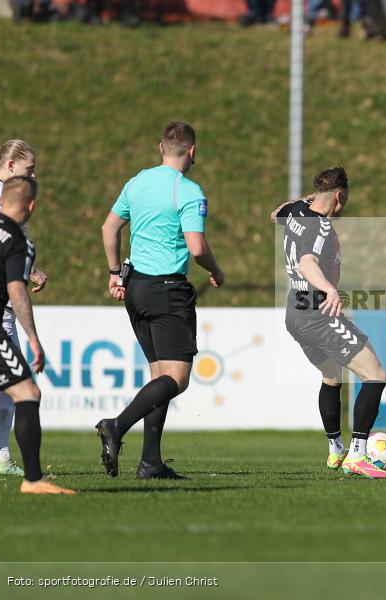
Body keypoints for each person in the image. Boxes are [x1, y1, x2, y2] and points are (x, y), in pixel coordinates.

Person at [97, 122, 225, 480]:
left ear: (161, 148)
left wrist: (114, 272)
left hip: (135, 287)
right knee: (177, 379)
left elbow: (109, 228)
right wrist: (216, 270)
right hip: (167, 288)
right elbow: (196, 247)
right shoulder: (188, 190)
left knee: (160, 377)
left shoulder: (137, 182)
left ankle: (150, 462)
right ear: (192, 152)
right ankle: (116, 425)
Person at [270, 167, 386, 479]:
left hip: (295, 312)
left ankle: (336, 449)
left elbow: (275, 215)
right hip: (317, 312)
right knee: (375, 375)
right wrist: (330, 289)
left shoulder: (297, 210)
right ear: (339, 196)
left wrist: (310, 199)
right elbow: (307, 262)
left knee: (331, 376)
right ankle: (357, 455)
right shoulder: (321, 228)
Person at [0, 177, 73, 494]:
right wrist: (34, 339)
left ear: (1, 201)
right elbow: (16, 291)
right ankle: (34, 481)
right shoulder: (18, 240)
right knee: (27, 393)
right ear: (32, 206)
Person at [0, 140, 49, 477]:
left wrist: (29, 269)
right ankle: (6, 460)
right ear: (11, 165)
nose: (33, 175)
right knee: (20, 388)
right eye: (29, 169)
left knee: (10, 388)